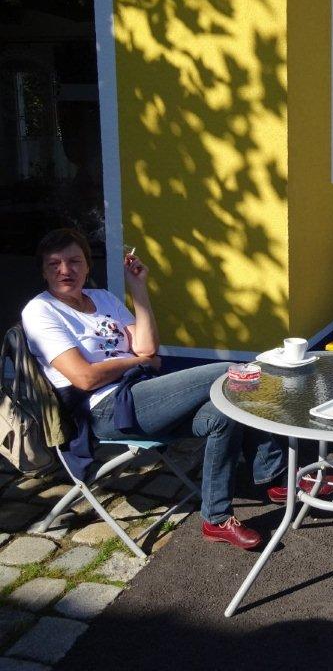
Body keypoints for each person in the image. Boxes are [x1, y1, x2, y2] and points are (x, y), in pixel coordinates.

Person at [22, 229, 286, 550]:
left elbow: (147, 347)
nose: (65, 270)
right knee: (230, 373)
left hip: (142, 392)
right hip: (104, 409)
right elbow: (85, 378)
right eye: (54, 264)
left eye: (75, 261)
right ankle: (277, 475)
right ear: (43, 271)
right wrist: (136, 361)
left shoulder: (102, 298)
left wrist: (138, 288)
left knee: (224, 412)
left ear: (88, 265)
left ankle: (217, 519)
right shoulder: (41, 311)